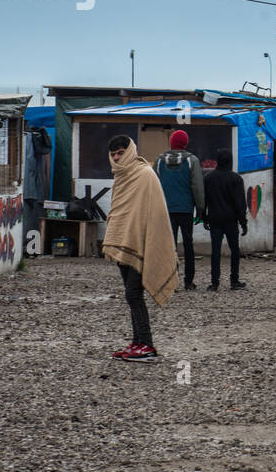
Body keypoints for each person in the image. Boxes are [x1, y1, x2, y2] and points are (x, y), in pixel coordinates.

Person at [101, 135, 178, 361]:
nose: (116, 157)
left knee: (134, 293)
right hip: (124, 241)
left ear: (131, 151)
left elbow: (154, 213)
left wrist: (146, 239)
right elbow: (120, 211)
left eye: (121, 152)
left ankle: (147, 345)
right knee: (130, 295)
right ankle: (138, 342)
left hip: (142, 243)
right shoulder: (121, 177)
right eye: (113, 154)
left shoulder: (145, 174)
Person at [155, 129, 205, 291]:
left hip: (166, 210)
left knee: (169, 246)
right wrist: (200, 208)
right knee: (188, 244)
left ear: (171, 142)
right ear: (185, 143)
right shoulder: (192, 161)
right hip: (186, 210)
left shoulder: (160, 161)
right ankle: (189, 281)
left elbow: (154, 186)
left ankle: (170, 281)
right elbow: (197, 187)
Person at [203, 147, 248, 291]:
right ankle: (234, 280)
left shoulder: (208, 178)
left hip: (214, 219)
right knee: (234, 249)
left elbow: (204, 200)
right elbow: (240, 203)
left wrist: (204, 217)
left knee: (215, 251)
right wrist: (243, 222)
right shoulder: (235, 179)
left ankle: (214, 282)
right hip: (231, 220)